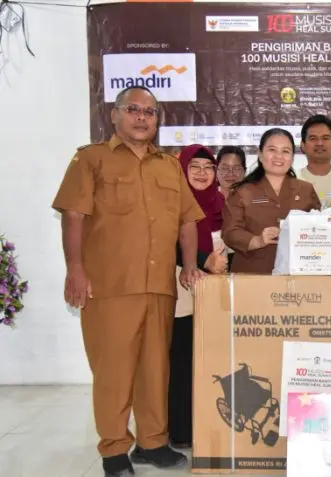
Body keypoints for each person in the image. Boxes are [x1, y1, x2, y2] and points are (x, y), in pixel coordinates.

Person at [51, 85, 206, 477]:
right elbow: (73, 215)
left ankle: (152, 443)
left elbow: (187, 220)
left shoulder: (169, 166)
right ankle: (114, 449)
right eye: (133, 109)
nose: (142, 118)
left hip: (159, 287)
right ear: (115, 115)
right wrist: (75, 269)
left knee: (155, 371)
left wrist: (189, 265)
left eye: (149, 112)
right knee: (114, 372)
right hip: (110, 286)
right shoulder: (91, 160)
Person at [168, 144, 228, 450]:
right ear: (182, 170)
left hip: (216, 293)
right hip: (183, 289)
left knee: (215, 362)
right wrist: (204, 260)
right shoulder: (171, 201)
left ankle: (213, 425)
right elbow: (168, 242)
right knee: (183, 360)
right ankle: (181, 429)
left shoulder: (222, 203)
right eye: (195, 167)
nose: (202, 173)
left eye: (208, 168)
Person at [222, 128, 321, 274]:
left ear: (292, 158)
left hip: (297, 274)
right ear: (260, 154)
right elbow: (230, 232)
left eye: (285, 151)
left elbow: (320, 229)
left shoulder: (306, 190)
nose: (278, 156)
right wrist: (256, 240)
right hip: (251, 274)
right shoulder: (242, 192)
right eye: (272, 150)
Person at [298, 115, 331, 208]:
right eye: (313, 138)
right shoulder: (292, 181)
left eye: (325, 138)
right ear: (303, 145)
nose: (319, 143)